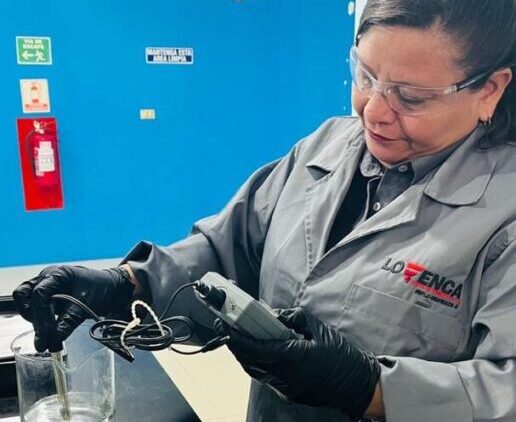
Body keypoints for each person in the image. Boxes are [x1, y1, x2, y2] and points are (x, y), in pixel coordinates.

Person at [12, 0, 516, 420]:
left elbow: (505, 387)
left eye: (410, 97)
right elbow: (226, 252)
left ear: (489, 90)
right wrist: (128, 284)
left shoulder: (503, 214)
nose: (374, 111)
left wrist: (369, 387)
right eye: (365, 76)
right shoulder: (326, 145)